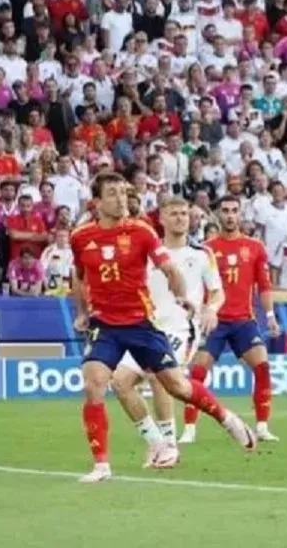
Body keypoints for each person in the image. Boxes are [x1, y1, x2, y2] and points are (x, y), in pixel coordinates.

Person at [70, 173, 254, 483]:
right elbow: (78, 275)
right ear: (97, 202)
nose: (121, 199)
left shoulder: (141, 232)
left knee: (176, 386)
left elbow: (168, 268)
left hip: (142, 323)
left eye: (123, 192)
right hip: (105, 324)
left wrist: (182, 295)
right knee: (95, 384)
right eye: (112, 194)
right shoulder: (80, 237)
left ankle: (226, 418)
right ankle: (105, 464)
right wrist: (81, 311)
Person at [110, 197, 224, 468]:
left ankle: (169, 445)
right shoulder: (149, 252)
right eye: (173, 213)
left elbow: (217, 291)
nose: (181, 218)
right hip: (148, 327)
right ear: (161, 218)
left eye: (184, 213)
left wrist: (211, 309)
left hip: (182, 328)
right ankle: (156, 442)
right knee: (119, 383)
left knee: (157, 375)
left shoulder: (201, 254)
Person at [181, 196, 279, 445]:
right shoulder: (206, 249)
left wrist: (269, 316)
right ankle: (190, 429)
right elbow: (196, 285)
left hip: (243, 320)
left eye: (234, 211)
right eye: (225, 211)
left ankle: (262, 426)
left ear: (240, 214)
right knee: (198, 373)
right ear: (217, 215)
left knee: (262, 366)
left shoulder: (255, 247)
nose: (230, 215)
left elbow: (264, 285)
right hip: (214, 320)